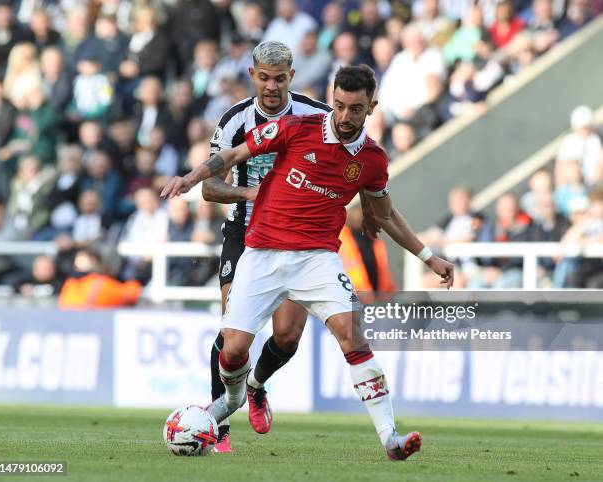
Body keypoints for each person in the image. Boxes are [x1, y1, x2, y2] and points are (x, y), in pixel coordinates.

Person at [162, 64, 454, 461]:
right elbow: (232, 154)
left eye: (355, 108)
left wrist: (428, 256)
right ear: (332, 100)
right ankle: (226, 405)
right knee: (232, 352)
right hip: (261, 254)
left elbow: (385, 214)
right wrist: (190, 178)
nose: (345, 117)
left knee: (351, 336)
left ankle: (391, 438)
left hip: (317, 259)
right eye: (339, 106)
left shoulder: (371, 159)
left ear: (372, 107)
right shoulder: (299, 128)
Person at [200, 40, 337, 453]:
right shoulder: (233, 121)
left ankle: (256, 386)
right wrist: (249, 194)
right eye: (264, 78)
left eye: (280, 79)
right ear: (252, 76)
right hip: (245, 235)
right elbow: (209, 186)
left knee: (288, 336)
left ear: (291, 77)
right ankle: (218, 425)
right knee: (232, 333)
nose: (272, 87)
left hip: (299, 238)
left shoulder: (318, 117)